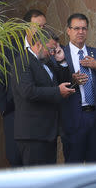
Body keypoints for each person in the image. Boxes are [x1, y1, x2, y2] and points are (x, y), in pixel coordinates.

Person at [12, 29, 75, 166]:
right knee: (35, 180)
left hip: (48, 133)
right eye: (51, 49)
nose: (52, 53)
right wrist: (57, 92)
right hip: (32, 134)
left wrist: (62, 61)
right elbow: (28, 92)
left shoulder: (47, 62)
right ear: (39, 44)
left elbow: (63, 83)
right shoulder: (23, 62)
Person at [0, 9, 46, 166]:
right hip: (14, 112)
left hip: (38, 112)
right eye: (38, 26)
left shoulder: (47, 48)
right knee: (15, 158)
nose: (42, 30)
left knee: (37, 161)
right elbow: (1, 79)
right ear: (26, 27)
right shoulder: (9, 48)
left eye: (44, 26)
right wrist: (4, 108)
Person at [60, 13, 96, 163]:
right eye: (76, 28)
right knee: (73, 168)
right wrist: (72, 80)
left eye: (84, 28)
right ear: (68, 30)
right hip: (74, 119)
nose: (80, 32)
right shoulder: (61, 54)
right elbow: (55, 82)